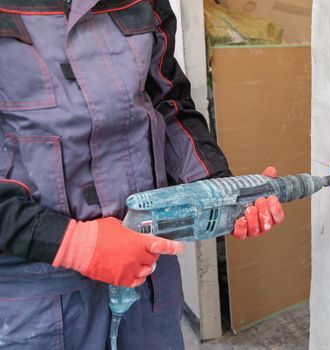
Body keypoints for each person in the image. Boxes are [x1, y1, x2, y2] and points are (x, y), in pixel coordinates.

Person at [0, 0, 284, 348]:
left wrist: (220, 189)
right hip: (36, 296)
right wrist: (73, 244)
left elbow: (170, 104)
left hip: (148, 275)